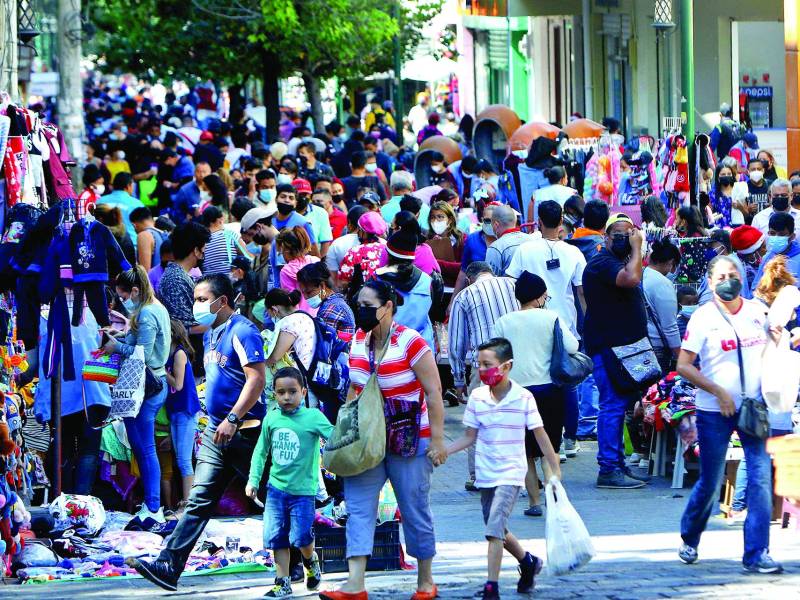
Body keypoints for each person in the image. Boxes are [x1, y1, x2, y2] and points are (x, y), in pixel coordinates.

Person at [128, 275, 267, 590]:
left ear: (223, 301)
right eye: (196, 298)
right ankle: (168, 565)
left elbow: (256, 379)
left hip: (247, 434)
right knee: (198, 501)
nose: (197, 305)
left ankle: (303, 559)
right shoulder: (210, 335)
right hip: (217, 435)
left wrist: (233, 417)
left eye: (203, 299)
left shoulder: (243, 331)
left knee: (273, 498)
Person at [319, 280, 445, 600]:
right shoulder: (359, 340)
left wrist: (438, 441)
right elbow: (353, 388)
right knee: (359, 508)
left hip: (409, 440)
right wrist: (342, 433)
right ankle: (355, 583)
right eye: (358, 303)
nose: (360, 311)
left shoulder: (411, 342)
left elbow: (433, 392)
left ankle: (425, 581)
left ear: (387, 307)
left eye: (367, 305)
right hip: (366, 440)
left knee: (414, 508)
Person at [676, 256, 783, 574]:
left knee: (761, 478)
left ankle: (756, 552)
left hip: (753, 409)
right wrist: (718, 391)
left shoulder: (756, 312)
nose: (728, 279)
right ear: (710, 283)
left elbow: (771, 350)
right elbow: (683, 366)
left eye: (733, 274)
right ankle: (690, 537)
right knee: (710, 481)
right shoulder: (702, 318)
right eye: (721, 275)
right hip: (713, 411)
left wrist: (779, 341)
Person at [446, 337, 560, 600]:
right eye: (479, 364)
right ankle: (528, 561)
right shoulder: (477, 397)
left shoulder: (524, 397)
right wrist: (444, 451)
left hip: (511, 472)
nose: (483, 370)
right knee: (494, 526)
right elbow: (468, 437)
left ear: (507, 366)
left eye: (488, 364)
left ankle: (491, 587)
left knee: (493, 529)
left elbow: (541, 436)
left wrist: (554, 469)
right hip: (486, 473)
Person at [493, 272, 578, 517]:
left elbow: (496, 354)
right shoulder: (551, 318)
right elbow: (573, 347)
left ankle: (534, 503)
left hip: (515, 393)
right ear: (540, 297)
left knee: (526, 452)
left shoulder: (504, 322)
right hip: (549, 390)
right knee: (548, 450)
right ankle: (554, 500)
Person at [506, 200, 586, 457]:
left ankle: (553, 441)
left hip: (530, 320)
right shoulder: (573, 252)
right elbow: (581, 291)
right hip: (564, 322)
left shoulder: (525, 250)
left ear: (538, 221)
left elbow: (512, 284)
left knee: (540, 380)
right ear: (561, 220)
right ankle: (568, 439)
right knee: (566, 382)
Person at [246, 367, 332, 598]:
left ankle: (310, 560)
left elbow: (334, 439)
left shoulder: (313, 417)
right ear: (273, 393)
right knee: (277, 537)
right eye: (281, 392)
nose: (286, 397)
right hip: (275, 490)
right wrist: (253, 480)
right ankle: (282, 581)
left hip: (303, 492)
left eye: (292, 392)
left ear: (303, 392)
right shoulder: (271, 418)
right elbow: (261, 452)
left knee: (301, 537)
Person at [582, 213, 649, 489]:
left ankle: (617, 463)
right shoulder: (602, 264)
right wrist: (637, 247)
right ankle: (608, 468)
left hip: (622, 347)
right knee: (611, 405)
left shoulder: (616, 261)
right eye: (618, 234)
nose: (624, 238)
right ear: (606, 238)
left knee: (619, 406)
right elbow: (631, 279)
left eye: (629, 233)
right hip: (608, 348)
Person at [103, 266, 172, 531]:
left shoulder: (146, 313)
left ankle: (154, 508)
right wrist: (122, 336)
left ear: (134, 290)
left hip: (147, 386)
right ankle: (152, 505)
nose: (123, 301)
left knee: (145, 449)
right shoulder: (153, 308)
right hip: (150, 384)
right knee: (142, 448)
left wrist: (116, 346)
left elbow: (142, 352)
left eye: (124, 296)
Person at [448, 261, 519, 490]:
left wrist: (458, 380)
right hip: (515, 362)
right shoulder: (512, 285)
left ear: (470, 278)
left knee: (478, 422)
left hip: (485, 367)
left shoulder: (465, 295)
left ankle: (480, 477)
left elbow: (456, 343)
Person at [376, 229, 443, 350]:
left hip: (387, 349)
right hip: (421, 348)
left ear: (388, 255)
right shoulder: (427, 280)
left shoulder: (377, 279)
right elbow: (433, 308)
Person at [164, 319, 200, 511]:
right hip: (176, 411)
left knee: (185, 461)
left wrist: (161, 370)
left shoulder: (178, 354)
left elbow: (177, 385)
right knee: (180, 459)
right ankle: (186, 501)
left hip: (185, 411)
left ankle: (187, 503)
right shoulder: (169, 354)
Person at [264, 289, 317, 395]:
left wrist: (261, 364)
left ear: (274, 309)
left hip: (298, 381)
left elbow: (275, 357)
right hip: (311, 374)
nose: (269, 317)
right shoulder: (305, 316)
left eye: (268, 313)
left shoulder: (288, 322)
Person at [642, 240, 682, 372]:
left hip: (642, 346)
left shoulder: (641, 276)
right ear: (670, 262)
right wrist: (681, 357)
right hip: (658, 349)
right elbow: (670, 326)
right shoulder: (662, 283)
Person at [450, 203, 498, 302]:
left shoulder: (505, 241)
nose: (491, 224)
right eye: (487, 220)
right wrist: (452, 301)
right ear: (481, 220)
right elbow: (463, 271)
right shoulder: (472, 239)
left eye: (494, 221)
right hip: (476, 296)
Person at [297, 262, 355, 338]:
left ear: (322, 285)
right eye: (303, 293)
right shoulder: (335, 302)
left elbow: (323, 342)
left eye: (309, 292)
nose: (305, 297)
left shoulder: (331, 308)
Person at [338, 211, 388, 290]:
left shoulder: (354, 252)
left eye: (359, 229)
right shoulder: (387, 248)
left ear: (363, 231)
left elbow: (343, 282)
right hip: (385, 295)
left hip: (361, 296)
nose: (357, 232)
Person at [750, 212, 800, 291]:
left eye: (782, 234)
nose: (776, 237)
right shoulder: (768, 257)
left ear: (792, 236)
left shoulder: (798, 258)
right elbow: (756, 286)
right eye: (772, 233)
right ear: (768, 234)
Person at [277, 226, 320, 313]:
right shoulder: (315, 261)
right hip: (320, 313)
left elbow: (291, 301)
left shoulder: (286, 271)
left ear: (286, 250)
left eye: (281, 250)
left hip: (301, 317)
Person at [97, 172, 146, 247]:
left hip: (102, 245)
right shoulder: (137, 204)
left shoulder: (100, 201)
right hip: (131, 247)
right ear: (128, 186)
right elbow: (144, 229)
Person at [425, 200, 465, 287]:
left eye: (440, 217)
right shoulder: (426, 240)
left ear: (450, 220)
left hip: (454, 288)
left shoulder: (462, 239)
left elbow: (464, 268)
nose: (435, 220)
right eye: (432, 217)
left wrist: (436, 262)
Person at [293, 178, 333, 256]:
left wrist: (319, 262)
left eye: (305, 195)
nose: (302, 198)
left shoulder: (320, 212)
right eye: (299, 195)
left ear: (310, 195)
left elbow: (325, 242)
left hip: (313, 258)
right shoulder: (285, 212)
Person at [485, 204, 528, 276]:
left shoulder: (495, 248)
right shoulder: (532, 240)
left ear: (496, 225)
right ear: (515, 220)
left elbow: (490, 281)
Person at [326, 205, 367, 276]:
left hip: (345, 285)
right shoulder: (382, 243)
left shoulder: (337, 244)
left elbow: (332, 275)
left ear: (349, 224)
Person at [130, 206, 167, 272]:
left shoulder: (144, 235)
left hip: (153, 281)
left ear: (134, 225)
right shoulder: (164, 234)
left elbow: (145, 273)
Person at [731, 225, 766, 292]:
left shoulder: (753, 261)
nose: (766, 250)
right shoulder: (748, 272)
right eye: (764, 247)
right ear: (753, 252)